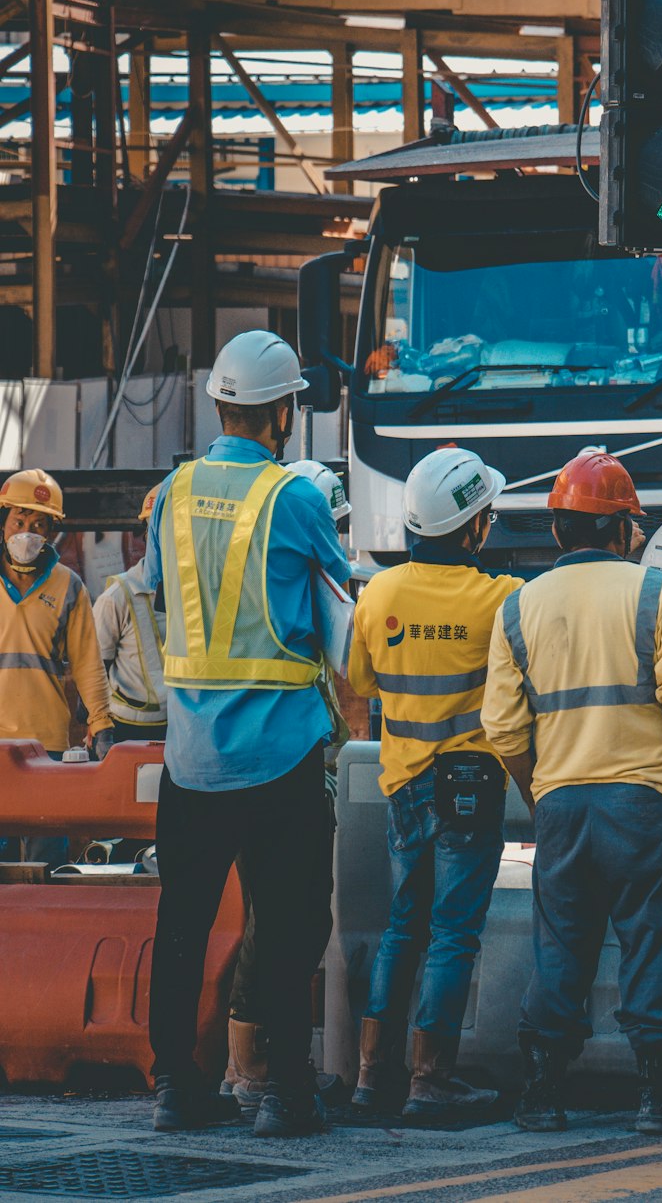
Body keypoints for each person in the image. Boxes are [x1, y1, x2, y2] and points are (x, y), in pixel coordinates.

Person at [482, 451, 662, 1137]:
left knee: (560, 948)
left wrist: (543, 793)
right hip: (645, 807)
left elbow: (501, 726)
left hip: (565, 807)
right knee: (650, 945)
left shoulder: (518, 605)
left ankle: (542, 1093)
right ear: (624, 528)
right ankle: (661, 1096)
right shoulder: (652, 592)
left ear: (557, 531)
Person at [143, 330, 354, 1138]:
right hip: (279, 753)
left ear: (221, 404)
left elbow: (160, 588)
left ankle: (174, 1086)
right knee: (293, 920)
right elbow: (339, 599)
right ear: (283, 411)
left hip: (190, 756)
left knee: (184, 923)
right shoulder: (293, 497)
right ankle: (284, 1092)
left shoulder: (173, 494)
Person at [348, 447, 522, 1117]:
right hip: (468, 787)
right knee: (452, 933)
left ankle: (372, 1077)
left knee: (402, 930)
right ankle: (431, 1078)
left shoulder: (380, 594)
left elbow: (361, 683)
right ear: (473, 526)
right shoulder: (503, 599)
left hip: (403, 786)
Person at [219, 459, 353, 1111]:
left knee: (296, 921)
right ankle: (248, 1071)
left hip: (298, 771)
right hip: (276, 773)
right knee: (274, 924)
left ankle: (270, 1065)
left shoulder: (297, 609)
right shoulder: (280, 615)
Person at [0, 468, 114, 869]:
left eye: (39, 524)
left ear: (51, 533)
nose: (27, 531)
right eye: (19, 520)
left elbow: (87, 662)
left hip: (45, 744)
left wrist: (100, 724)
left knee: (41, 862)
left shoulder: (69, 586)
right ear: (4, 521)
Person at [93, 487, 166, 741]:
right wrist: (99, 729)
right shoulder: (118, 596)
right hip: (127, 728)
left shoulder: (197, 594)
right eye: (158, 530)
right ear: (146, 535)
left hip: (182, 726)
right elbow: (95, 668)